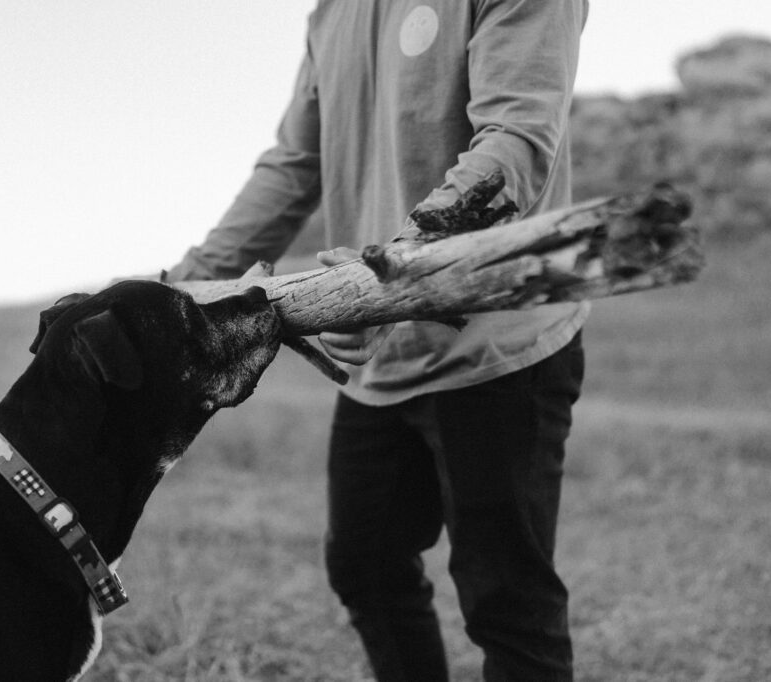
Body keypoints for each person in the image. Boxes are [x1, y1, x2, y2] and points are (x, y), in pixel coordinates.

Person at [165, 1, 590, 679]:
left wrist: (391, 269)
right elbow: (295, 163)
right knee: (365, 568)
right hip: (379, 360)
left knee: (508, 602)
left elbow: (516, 138)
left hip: (498, 349)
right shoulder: (333, 11)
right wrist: (182, 288)